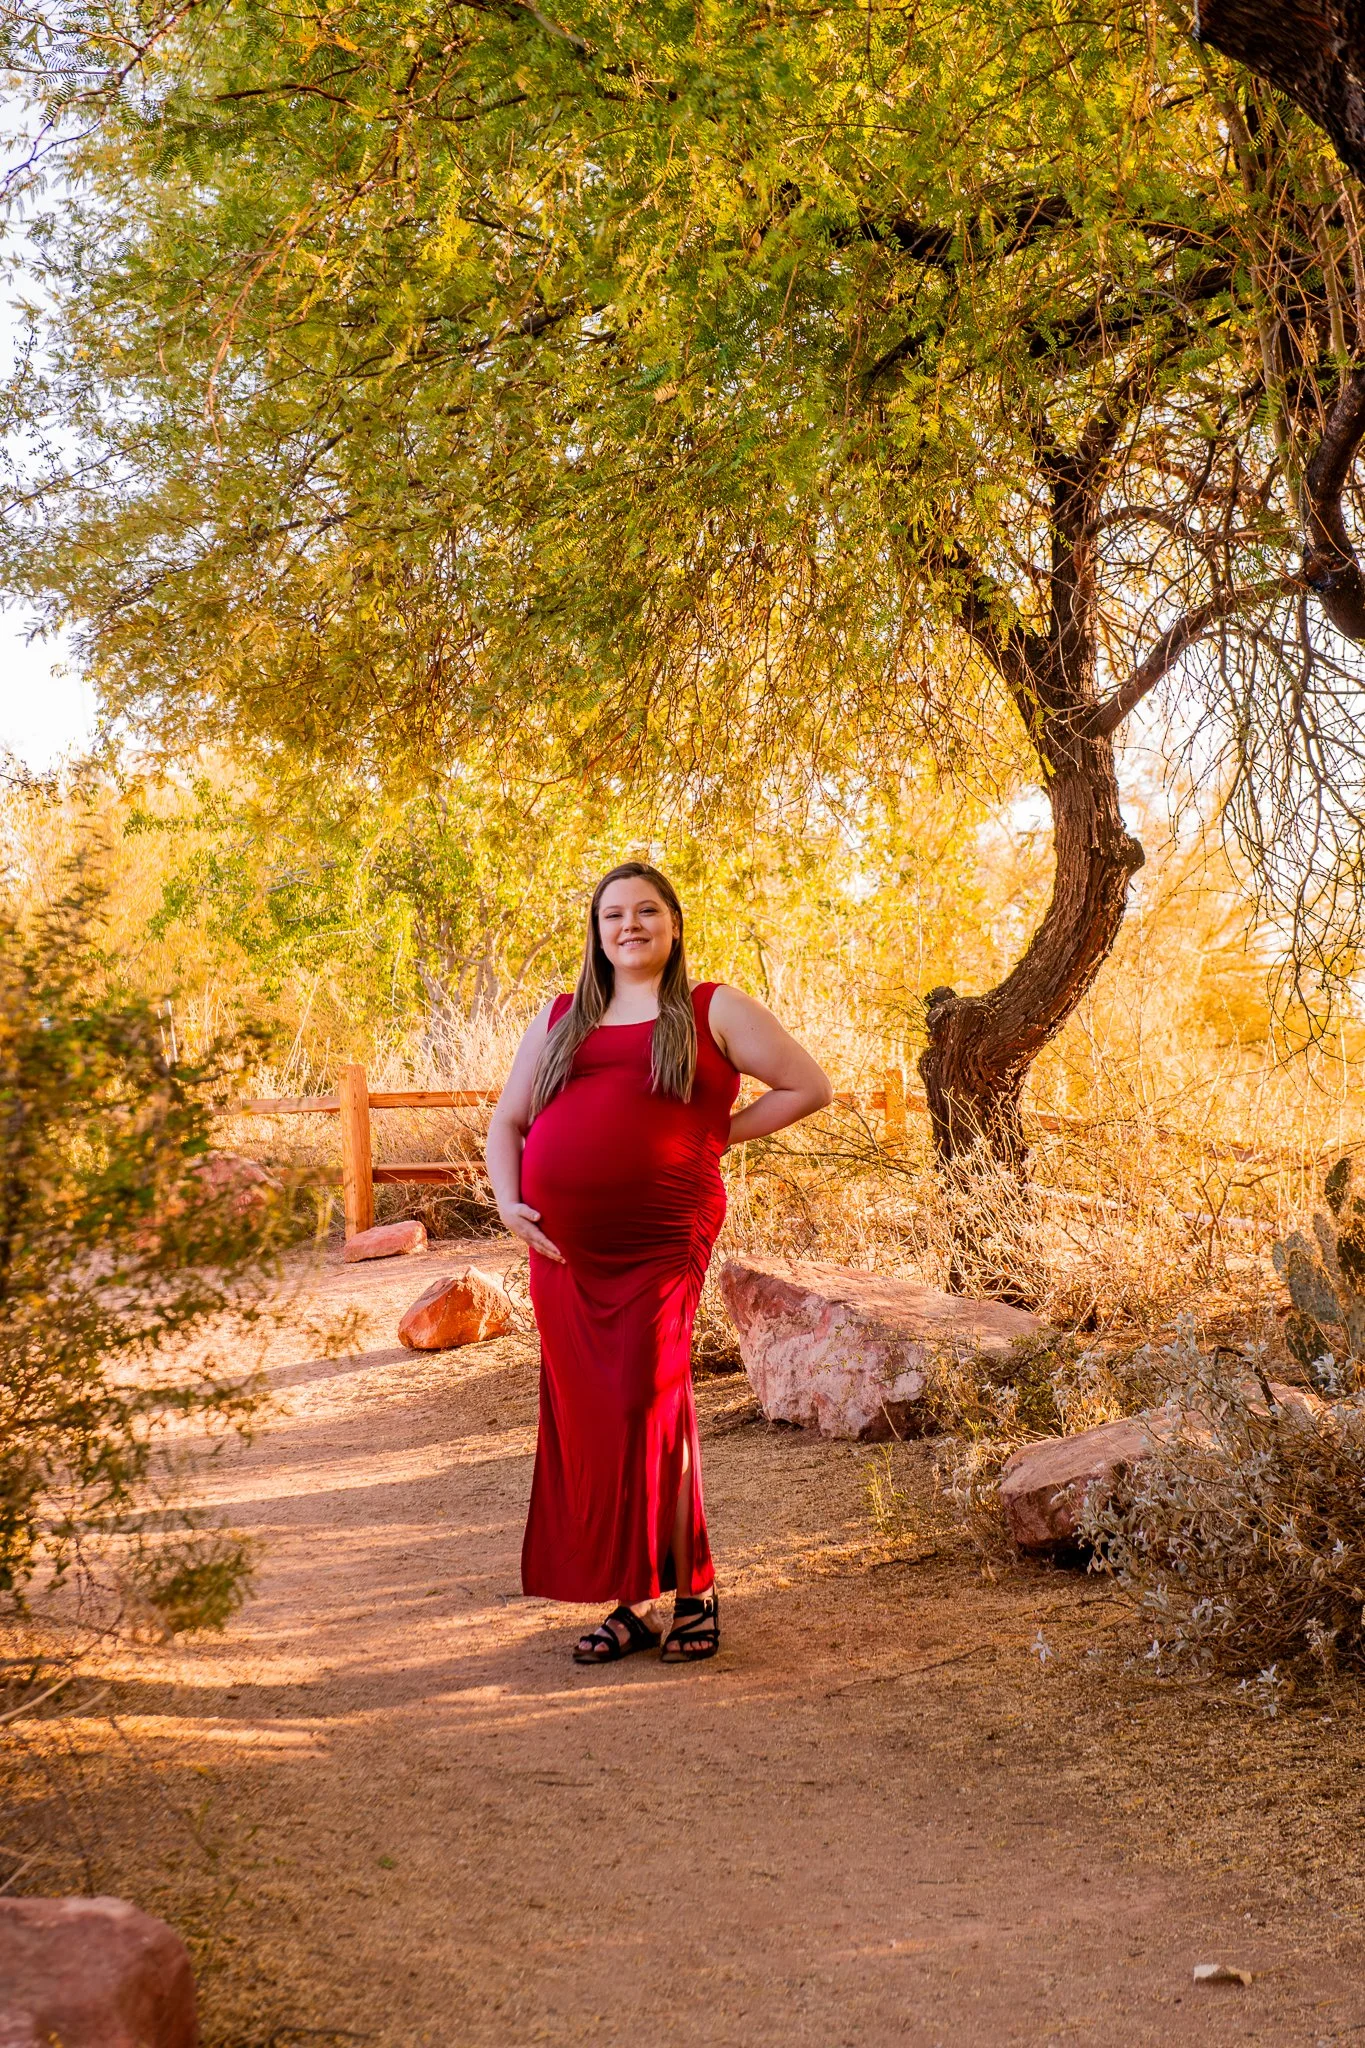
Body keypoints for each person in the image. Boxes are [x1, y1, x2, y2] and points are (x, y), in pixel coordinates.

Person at [485, 861, 833, 1665]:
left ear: (672, 925)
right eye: (613, 915)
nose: (629, 925)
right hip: (564, 1251)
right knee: (592, 1417)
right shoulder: (563, 1016)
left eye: (646, 912)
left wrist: (710, 1135)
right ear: (596, 931)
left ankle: (694, 1590)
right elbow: (508, 1123)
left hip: (660, 1239)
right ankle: (631, 1602)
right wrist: (509, 1204)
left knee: (650, 1404)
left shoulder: (711, 1007)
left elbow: (806, 1087)